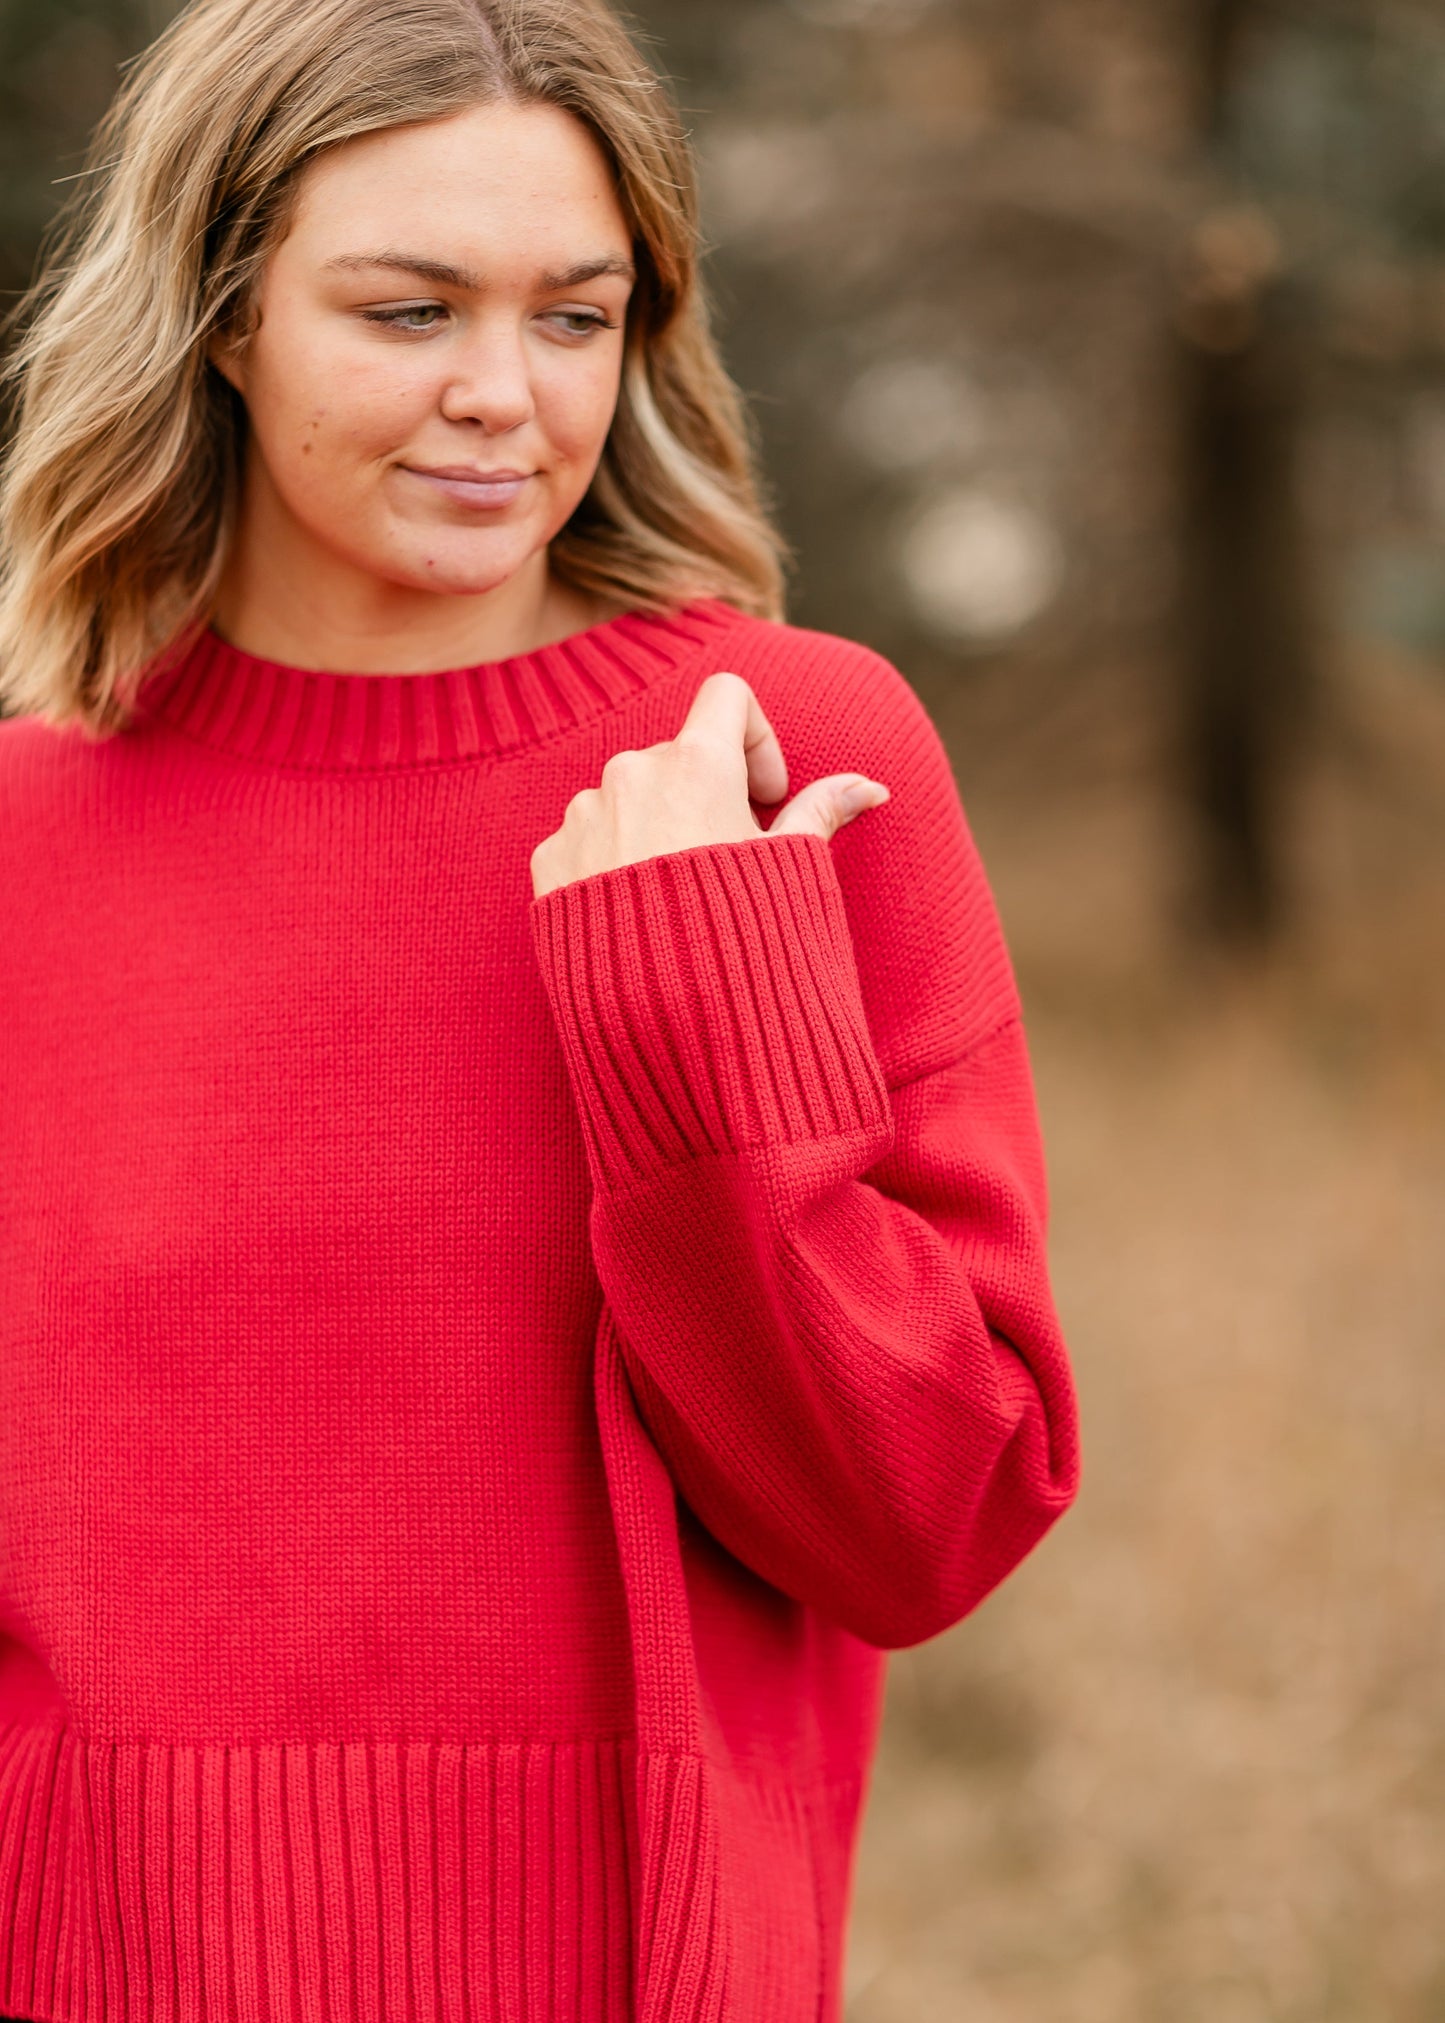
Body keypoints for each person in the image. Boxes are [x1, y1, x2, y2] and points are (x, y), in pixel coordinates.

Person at [0, 0, 1082, 2017]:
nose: (506, 394)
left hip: (635, 1959)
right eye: (410, 311)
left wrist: (699, 1026)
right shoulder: (24, 833)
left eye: (574, 317)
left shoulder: (787, 751)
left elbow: (928, 1525)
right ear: (219, 318)